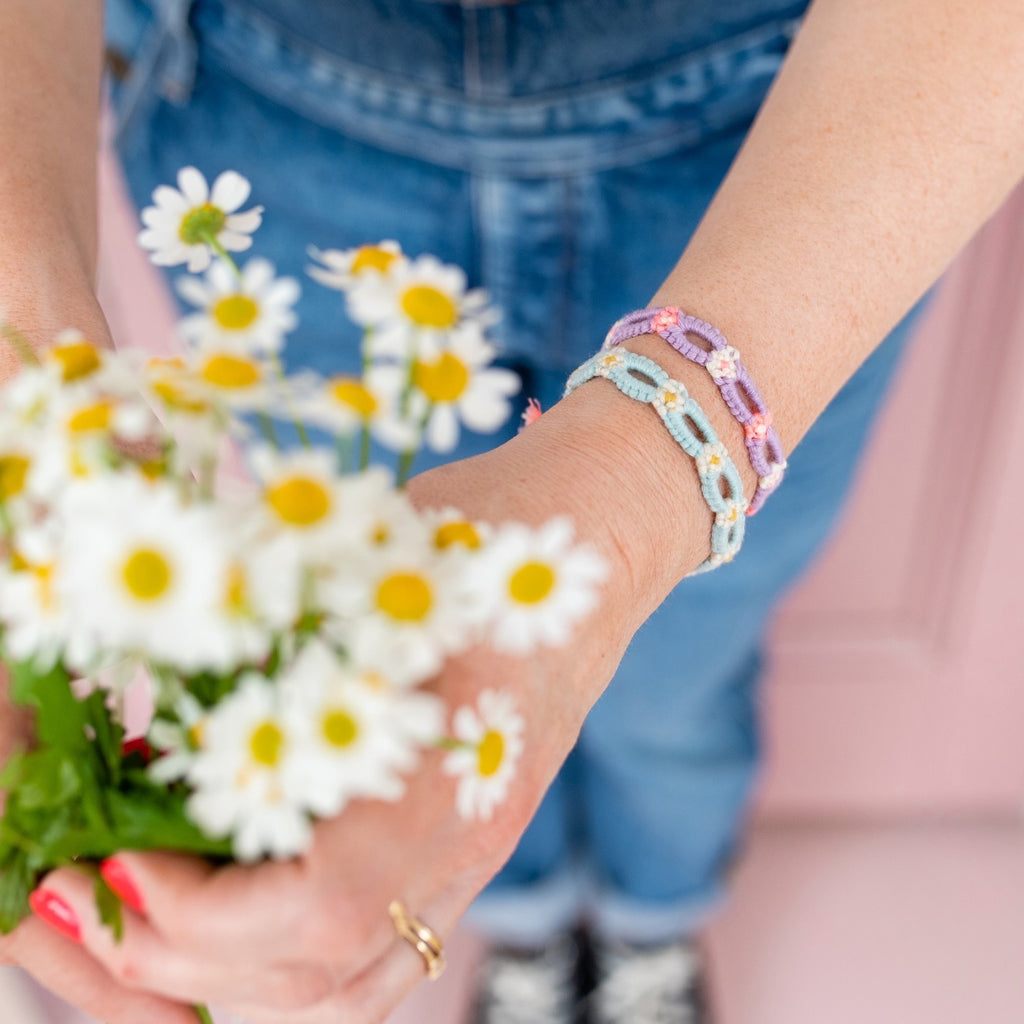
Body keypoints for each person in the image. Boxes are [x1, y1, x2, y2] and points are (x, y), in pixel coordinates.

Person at [1, 1, 1023, 1022]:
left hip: (821, 124)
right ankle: (521, 920)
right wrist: (20, 375)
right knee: (412, 688)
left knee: (674, 682)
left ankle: (654, 916)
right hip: (269, 117)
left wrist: (646, 483)